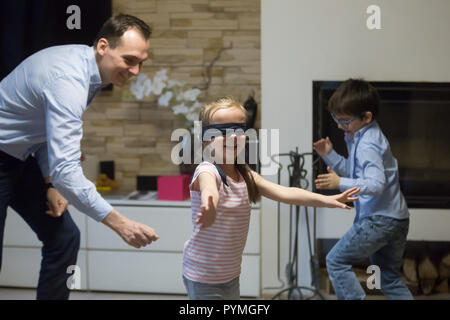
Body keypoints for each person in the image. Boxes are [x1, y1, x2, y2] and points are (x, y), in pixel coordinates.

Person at [0, 14, 159, 300]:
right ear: (102, 47)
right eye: (130, 60)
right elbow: (67, 170)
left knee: (64, 238)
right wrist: (120, 223)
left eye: (141, 62)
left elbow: (45, 132)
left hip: (21, 157)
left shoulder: (91, 72)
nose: (136, 71)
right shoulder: (69, 79)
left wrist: (50, 183)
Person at [182, 97, 360, 300]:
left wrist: (327, 200)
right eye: (221, 132)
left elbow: (286, 192)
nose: (230, 138)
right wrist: (209, 204)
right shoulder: (206, 170)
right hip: (203, 275)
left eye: (237, 131)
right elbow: (208, 189)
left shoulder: (245, 174)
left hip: (230, 274)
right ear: (205, 140)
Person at [313, 79, 413, 300]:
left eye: (345, 120)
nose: (339, 125)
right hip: (397, 218)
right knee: (389, 278)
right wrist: (329, 154)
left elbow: (376, 185)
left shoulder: (367, 144)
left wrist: (339, 184)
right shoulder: (363, 134)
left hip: (379, 220)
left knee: (336, 261)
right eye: (335, 118)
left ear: (366, 117)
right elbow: (356, 172)